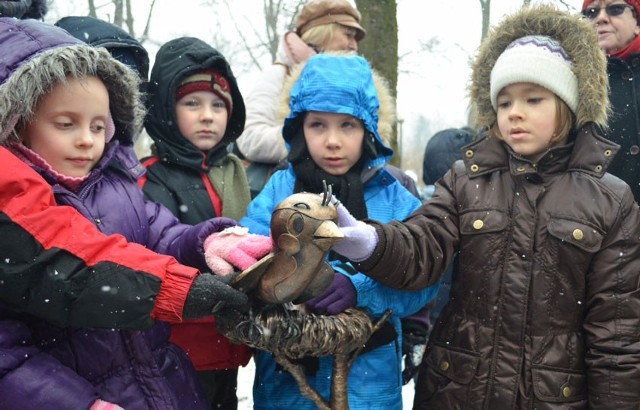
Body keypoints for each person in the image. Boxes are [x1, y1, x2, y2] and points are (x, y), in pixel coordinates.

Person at [329, 6, 640, 408]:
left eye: (534, 98)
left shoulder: (610, 200)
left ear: (568, 105)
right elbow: (423, 245)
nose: (516, 113)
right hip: (460, 389)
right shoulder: (467, 179)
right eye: (505, 101)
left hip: (553, 397)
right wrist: (370, 242)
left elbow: (616, 335)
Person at [0, 18, 271, 409]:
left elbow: (162, 234)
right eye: (65, 124)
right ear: (18, 124)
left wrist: (207, 241)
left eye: (98, 126)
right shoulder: (19, 215)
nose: (86, 140)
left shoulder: (119, 187)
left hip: (160, 382)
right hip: (85, 390)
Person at [239, 53, 439, 410]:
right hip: (287, 386)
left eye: (347, 125)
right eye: (318, 125)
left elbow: (425, 277)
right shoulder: (278, 190)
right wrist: (295, 282)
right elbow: (250, 252)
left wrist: (360, 289)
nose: (333, 141)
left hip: (370, 386)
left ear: (369, 129)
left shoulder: (397, 200)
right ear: (299, 128)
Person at [138, 36, 252, 410]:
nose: (208, 115)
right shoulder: (150, 179)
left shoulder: (233, 175)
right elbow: (154, 251)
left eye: (218, 105)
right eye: (192, 103)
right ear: (167, 112)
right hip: (179, 343)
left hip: (229, 340)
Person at [234, 0, 365, 197]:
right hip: (284, 195)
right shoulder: (278, 75)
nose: (353, 44)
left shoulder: (356, 84)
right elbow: (250, 138)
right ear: (323, 33)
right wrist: (307, 140)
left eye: (355, 38)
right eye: (348, 35)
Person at [581, 0, 640, 202]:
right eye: (591, 12)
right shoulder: (571, 79)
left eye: (615, 8)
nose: (601, 18)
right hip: (597, 218)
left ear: (637, 22)